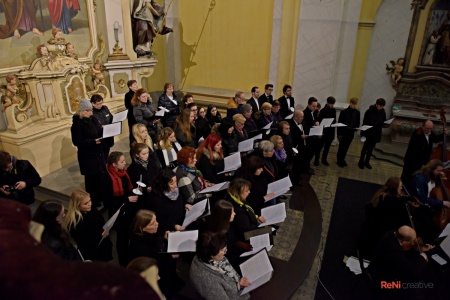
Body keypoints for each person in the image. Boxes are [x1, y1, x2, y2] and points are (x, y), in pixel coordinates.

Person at [128, 209, 183, 298]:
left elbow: (157, 243)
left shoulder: (149, 233)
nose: (157, 224)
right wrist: (170, 256)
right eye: (152, 224)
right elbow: (155, 261)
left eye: (156, 220)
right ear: (142, 228)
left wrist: (164, 238)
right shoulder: (139, 248)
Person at [366, 226, 433, 299]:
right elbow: (410, 269)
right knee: (413, 289)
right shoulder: (394, 250)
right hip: (383, 283)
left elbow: (403, 253)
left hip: (378, 269)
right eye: (412, 241)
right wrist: (423, 257)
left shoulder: (391, 234)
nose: (413, 243)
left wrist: (419, 247)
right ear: (402, 241)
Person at [190, 231, 251, 300]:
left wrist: (238, 284)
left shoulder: (208, 255)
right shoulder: (208, 281)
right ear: (212, 255)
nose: (225, 252)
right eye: (222, 250)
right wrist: (237, 286)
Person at [104, 151, 139, 266]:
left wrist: (135, 191)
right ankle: (124, 262)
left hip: (128, 210)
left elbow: (127, 189)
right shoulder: (107, 178)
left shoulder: (123, 173)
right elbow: (108, 201)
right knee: (122, 239)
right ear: (114, 164)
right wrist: (127, 199)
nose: (125, 163)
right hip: (118, 214)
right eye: (122, 161)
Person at [71, 99, 106, 209]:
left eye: (91, 110)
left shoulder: (93, 119)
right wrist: (93, 142)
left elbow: (99, 130)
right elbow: (77, 141)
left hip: (98, 153)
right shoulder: (77, 124)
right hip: (88, 156)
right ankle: (93, 200)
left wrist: (104, 130)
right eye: (88, 110)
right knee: (91, 179)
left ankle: (101, 197)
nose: (91, 112)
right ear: (82, 111)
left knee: (100, 176)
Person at [64, 189, 113, 262]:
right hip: (95, 254)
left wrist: (105, 230)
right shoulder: (74, 223)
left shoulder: (91, 208)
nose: (90, 204)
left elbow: (100, 222)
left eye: (90, 200)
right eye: (86, 203)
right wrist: (101, 235)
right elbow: (85, 245)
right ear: (77, 205)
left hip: (104, 246)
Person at [401, 120, 445, 185]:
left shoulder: (429, 133)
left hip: (421, 161)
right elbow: (418, 151)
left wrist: (443, 134)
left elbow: (435, 139)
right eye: (427, 128)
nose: (429, 130)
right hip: (412, 161)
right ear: (422, 126)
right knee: (407, 177)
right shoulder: (417, 134)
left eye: (431, 128)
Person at [148, 168, 187, 235]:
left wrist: (185, 205)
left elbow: (179, 203)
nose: (175, 185)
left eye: (176, 181)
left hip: (183, 223)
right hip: (170, 231)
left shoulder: (176, 190)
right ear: (164, 184)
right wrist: (173, 226)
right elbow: (160, 220)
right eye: (172, 183)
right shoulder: (155, 199)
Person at [359, 98, 389, 169]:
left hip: (376, 133)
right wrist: (363, 134)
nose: (381, 108)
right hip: (369, 132)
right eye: (380, 106)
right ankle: (361, 162)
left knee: (371, 149)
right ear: (376, 104)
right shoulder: (369, 111)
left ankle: (367, 162)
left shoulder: (382, 111)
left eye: (382, 106)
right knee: (365, 148)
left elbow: (384, 121)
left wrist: (386, 124)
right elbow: (365, 122)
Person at [337, 97, 360, 167]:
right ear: (350, 103)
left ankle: (343, 159)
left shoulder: (357, 112)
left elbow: (357, 122)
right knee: (341, 147)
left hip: (351, 133)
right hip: (344, 133)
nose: (355, 106)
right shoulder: (344, 112)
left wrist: (356, 127)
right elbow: (339, 123)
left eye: (356, 104)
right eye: (353, 104)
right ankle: (339, 160)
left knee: (346, 147)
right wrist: (339, 134)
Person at [316, 96, 336, 166]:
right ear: (327, 103)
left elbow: (334, 120)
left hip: (330, 132)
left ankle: (324, 159)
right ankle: (316, 160)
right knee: (319, 147)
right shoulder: (322, 111)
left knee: (327, 148)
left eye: (333, 104)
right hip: (324, 132)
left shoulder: (334, 110)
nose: (332, 105)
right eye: (331, 104)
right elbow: (320, 121)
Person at [303, 97, 319, 167]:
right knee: (307, 153)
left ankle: (308, 165)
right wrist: (314, 124)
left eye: (316, 106)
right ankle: (305, 166)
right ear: (309, 105)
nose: (315, 108)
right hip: (308, 136)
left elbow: (315, 119)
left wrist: (316, 121)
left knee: (313, 151)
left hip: (314, 136)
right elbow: (305, 127)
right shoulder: (304, 113)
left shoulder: (315, 112)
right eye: (313, 106)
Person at [125, 80, 139, 146]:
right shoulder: (128, 95)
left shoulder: (139, 93)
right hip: (132, 116)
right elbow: (127, 105)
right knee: (133, 132)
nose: (136, 86)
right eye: (134, 85)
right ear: (130, 87)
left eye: (136, 84)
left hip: (139, 114)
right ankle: (133, 146)